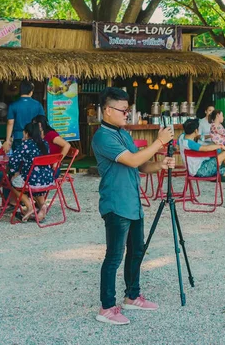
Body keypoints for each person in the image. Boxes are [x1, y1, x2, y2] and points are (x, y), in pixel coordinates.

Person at [92, 87, 175, 325]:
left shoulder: (123, 133)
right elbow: (131, 159)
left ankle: (132, 295)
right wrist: (159, 141)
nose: (127, 114)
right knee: (114, 256)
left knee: (137, 250)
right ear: (107, 110)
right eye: (123, 110)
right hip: (116, 203)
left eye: (128, 110)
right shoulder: (103, 137)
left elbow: (139, 164)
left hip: (132, 201)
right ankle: (107, 307)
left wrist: (159, 164)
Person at [179, 118, 225, 208]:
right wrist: (221, 146)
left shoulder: (182, 139)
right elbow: (205, 148)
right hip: (201, 170)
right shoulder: (190, 144)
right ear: (195, 130)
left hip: (193, 171)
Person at [8, 123, 55, 222]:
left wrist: (14, 172)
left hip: (32, 180)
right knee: (36, 182)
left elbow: (13, 161)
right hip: (48, 180)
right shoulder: (45, 143)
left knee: (13, 182)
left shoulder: (25, 145)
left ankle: (29, 207)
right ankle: (42, 206)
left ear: (26, 133)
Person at [2, 80, 45, 153]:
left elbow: (10, 123)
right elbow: (42, 122)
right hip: (34, 136)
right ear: (31, 92)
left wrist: (7, 140)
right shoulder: (38, 105)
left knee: (18, 159)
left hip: (18, 136)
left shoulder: (13, 105)